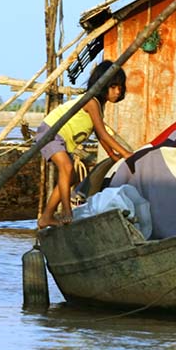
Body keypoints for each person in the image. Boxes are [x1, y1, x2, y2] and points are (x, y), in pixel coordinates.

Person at [36, 60, 133, 228]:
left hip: (61, 139)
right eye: (113, 87)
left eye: (120, 88)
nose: (117, 92)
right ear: (102, 85)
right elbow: (103, 133)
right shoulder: (91, 101)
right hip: (52, 132)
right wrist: (126, 155)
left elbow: (99, 134)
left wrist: (112, 155)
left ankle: (46, 217)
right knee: (66, 168)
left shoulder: (99, 106)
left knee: (71, 176)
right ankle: (67, 210)